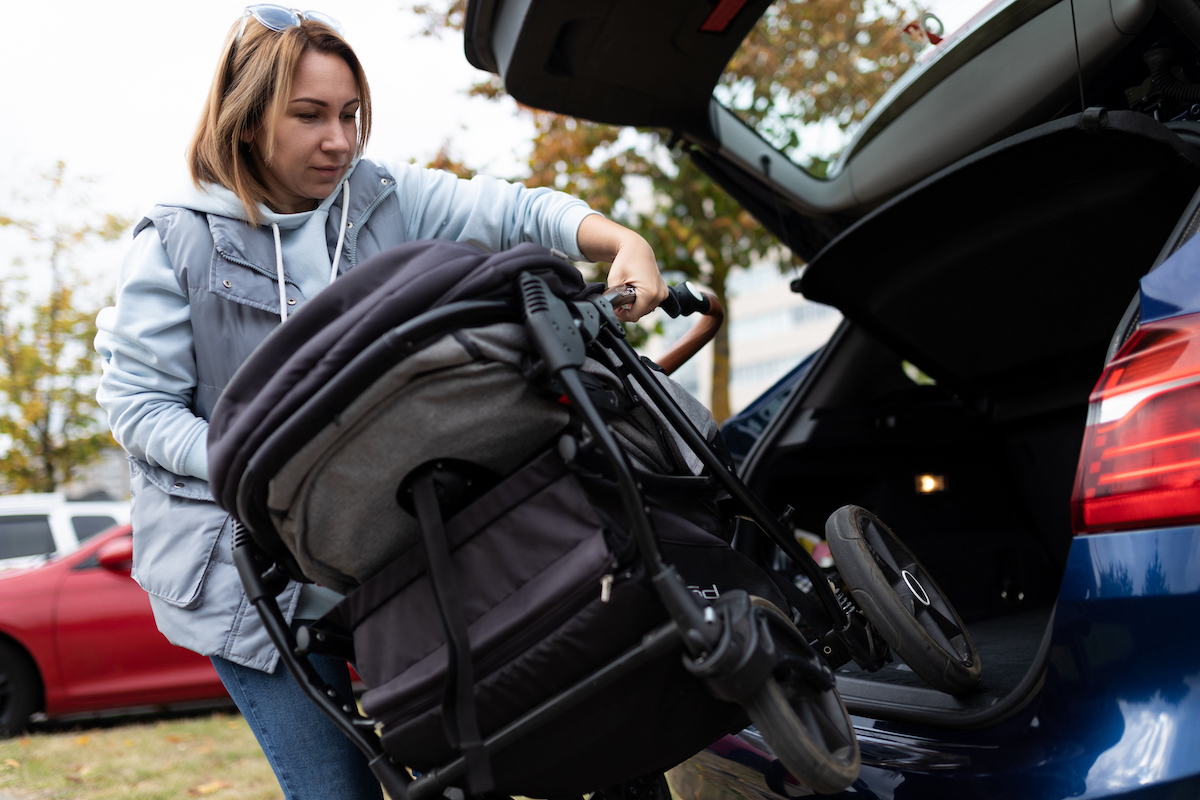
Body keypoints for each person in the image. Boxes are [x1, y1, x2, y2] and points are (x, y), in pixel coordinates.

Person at [94, 7, 667, 799]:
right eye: (310, 116)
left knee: (522, 743)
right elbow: (142, 410)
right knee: (341, 790)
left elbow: (513, 212)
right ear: (248, 118)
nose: (340, 140)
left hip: (382, 531)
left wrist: (619, 242)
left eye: (351, 114)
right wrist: (271, 470)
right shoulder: (173, 243)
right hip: (242, 565)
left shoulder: (382, 196)